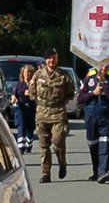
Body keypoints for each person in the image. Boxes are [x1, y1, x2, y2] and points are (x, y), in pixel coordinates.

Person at [28, 48, 74, 182]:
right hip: (42, 114)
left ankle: (62, 163)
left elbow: (70, 94)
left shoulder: (64, 75)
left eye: (54, 57)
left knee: (57, 141)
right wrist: (41, 104)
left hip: (58, 113)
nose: (51, 60)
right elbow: (32, 93)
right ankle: (46, 173)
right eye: (49, 58)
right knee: (43, 146)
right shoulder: (38, 75)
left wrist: (59, 103)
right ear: (45, 59)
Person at [77, 66, 109, 183]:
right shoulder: (88, 80)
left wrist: (103, 82)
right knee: (93, 144)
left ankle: (103, 172)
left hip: (106, 116)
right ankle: (96, 171)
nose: (103, 68)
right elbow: (80, 98)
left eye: (106, 66)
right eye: (101, 66)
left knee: (105, 144)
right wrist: (93, 93)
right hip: (91, 115)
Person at [10, 63, 36, 153]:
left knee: (30, 127)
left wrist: (31, 94)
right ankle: (21, 146)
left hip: (31, 108)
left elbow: (39, 95)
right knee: (21, 125)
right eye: (25, 72)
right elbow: (14, 94)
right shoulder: (19, 85)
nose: (27, 74)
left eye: (29, 72)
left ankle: (29, 144)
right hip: (20, 107)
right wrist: (14, 98)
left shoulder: (34, 84)